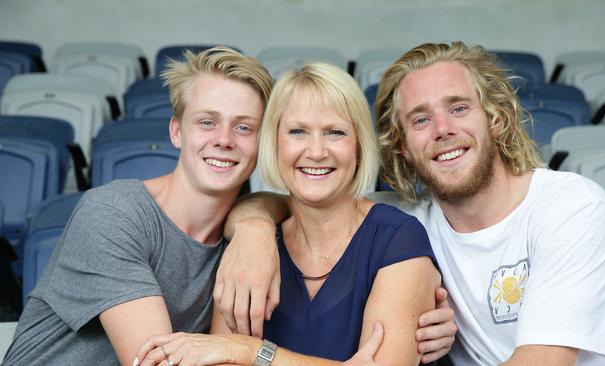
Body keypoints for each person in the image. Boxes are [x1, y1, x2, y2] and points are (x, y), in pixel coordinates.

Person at [212, 42, 605, 365]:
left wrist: (251, 352)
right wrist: (251, 229)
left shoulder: (570, 207)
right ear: (401, 145)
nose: (442, 129)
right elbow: (305, 204)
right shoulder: (409, 221)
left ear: (495, 118)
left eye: (458, 108)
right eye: (421, 119)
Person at [134, 62, 440, 365]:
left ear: (359, 145)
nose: (317, 151)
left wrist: (249, 352)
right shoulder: (249, 247)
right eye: (297, 131)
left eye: (335, 132)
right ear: (274, 143)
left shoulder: (398, 239)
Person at [2, 46, 273, 366]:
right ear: (176, 131)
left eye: (244, 127)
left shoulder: (241, 244)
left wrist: (256, 227)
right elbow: (157, 363)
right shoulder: (112, 214)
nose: (224, 139)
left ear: (262, 143)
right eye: (207, 122)